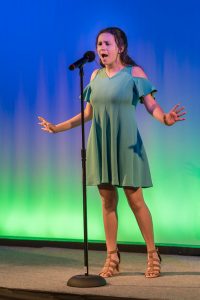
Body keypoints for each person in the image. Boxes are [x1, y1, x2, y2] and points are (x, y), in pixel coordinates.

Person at [38, 27, 186, 278]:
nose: (101, 49)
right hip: (101, 144)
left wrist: (165, 119)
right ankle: (112, 256)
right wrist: (57, 128)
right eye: (99, 44)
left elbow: (152, 106)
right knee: (107, 202)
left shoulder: (134, 74)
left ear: (121, 47)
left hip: (127, 144)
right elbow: (87, 114)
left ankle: (152, 254)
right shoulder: (94, 75)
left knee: (135, 201)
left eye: (107, 44)